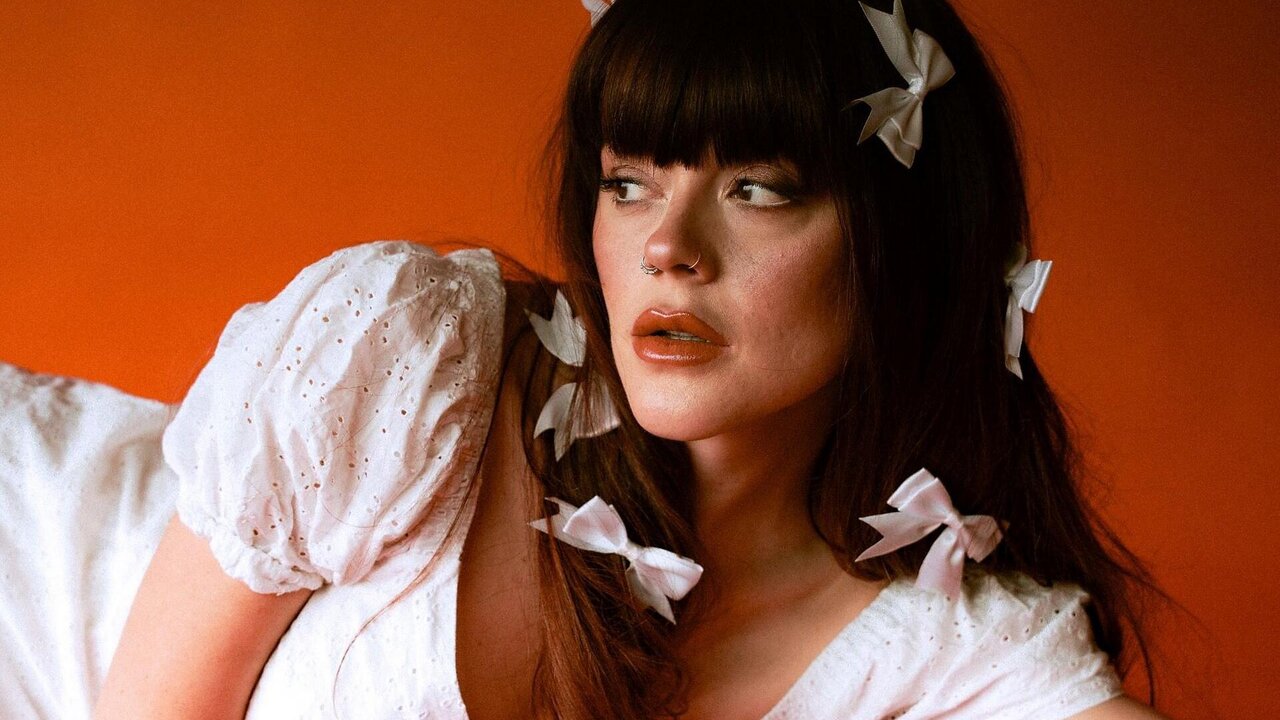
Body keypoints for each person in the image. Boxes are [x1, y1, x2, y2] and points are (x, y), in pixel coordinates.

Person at [95, 0, 1170, 718]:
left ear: (908, 252)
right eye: (629, 183)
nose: (666, 247)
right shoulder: (407, 364)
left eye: (757, 189)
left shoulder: (945, 639)